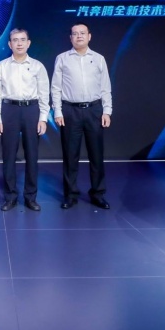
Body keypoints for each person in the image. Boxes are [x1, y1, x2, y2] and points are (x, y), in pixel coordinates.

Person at [50, 22, 113, 210]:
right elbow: (56, 87)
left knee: (96, 155)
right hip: (70, 111)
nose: (79, 36)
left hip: (94, 110)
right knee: (70, 156)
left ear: (89, 36)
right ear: (70, 38)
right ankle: (70, 195)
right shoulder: (62, 58)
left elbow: (105, 87)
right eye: (75, 34)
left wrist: (107, 111)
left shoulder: (99, 59)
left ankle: (98, 193)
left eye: (82, 33)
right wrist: (58, 111)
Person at [0, 28, 49, 212]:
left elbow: (44, 93)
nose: (19, 43)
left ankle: (31, 197)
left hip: (32, 110)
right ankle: (10, 197)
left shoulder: (38, 66)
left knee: (32, 155)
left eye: (23, 39)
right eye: (15, 40)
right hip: (9, 110)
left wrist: (43, 118)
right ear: (10, 44)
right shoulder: (2, 66)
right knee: (9, 156)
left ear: (28, 43)